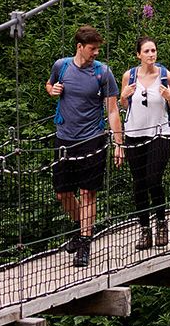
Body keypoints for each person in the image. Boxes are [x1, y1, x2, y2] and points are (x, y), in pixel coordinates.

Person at [45, 24, 121, 268]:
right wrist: (52, 90)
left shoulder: (103, 73)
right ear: (79, 47)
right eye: (92, 49)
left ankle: (85, 243)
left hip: (93, 138)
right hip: (65, 138)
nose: (96, 53)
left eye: (98, 49)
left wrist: (119, 143)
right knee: (62, 193)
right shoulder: (61, 66)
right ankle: (83, 230)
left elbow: (112, 109)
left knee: (88, 192)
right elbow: (49, 85)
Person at [119, 37, 170, 250]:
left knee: (154, 179)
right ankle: (144, 230)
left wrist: (169, 97)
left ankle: (161, 224)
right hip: (134, 134)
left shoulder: (166, 76)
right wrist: (123, 97)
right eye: (146, 51)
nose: (151, 54)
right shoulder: (129, 76)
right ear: (138, 55)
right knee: (139, 184)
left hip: (160, 134)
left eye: (153, 50)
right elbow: (123, 103)